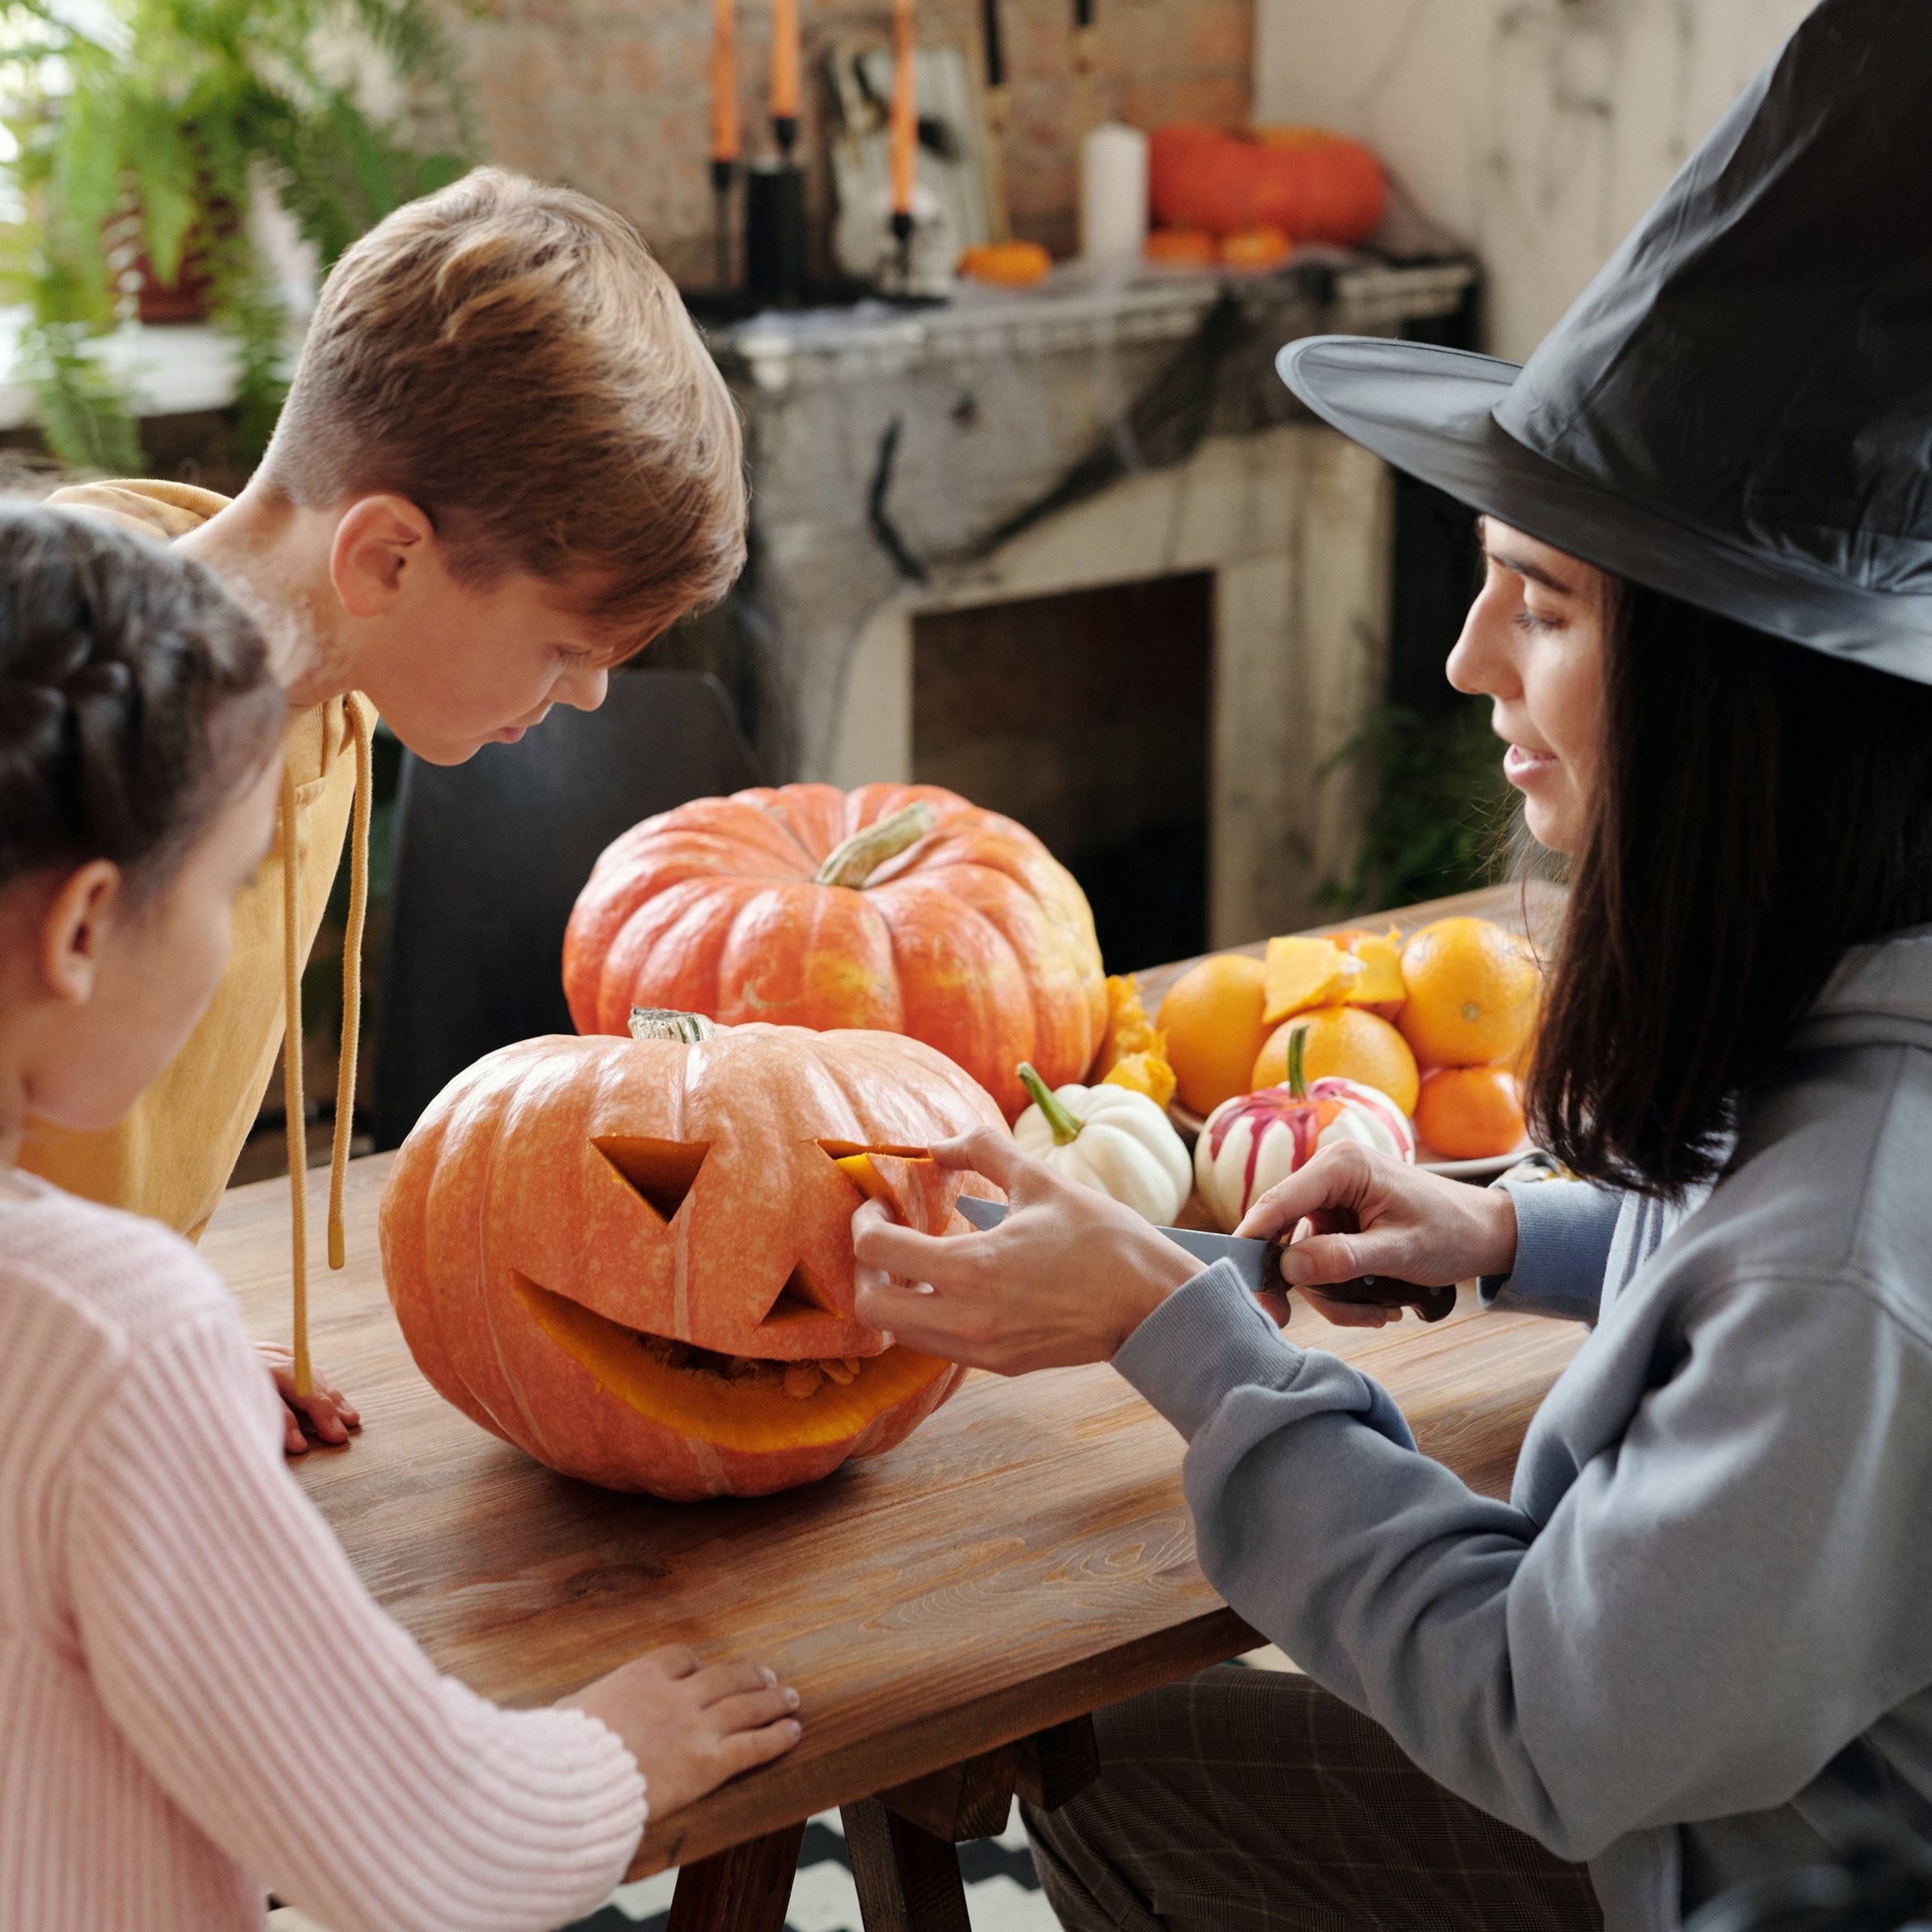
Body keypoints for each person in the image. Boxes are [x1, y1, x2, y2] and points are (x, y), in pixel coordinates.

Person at [849, 3, 1932, 1927]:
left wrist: (1179, 1336)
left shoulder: (1848, 1246)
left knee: (1114, 1776)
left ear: (1739, 700)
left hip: (1753, 1885)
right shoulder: (1872, 1010)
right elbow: (1781, 1288)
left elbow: (1545, 1711)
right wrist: (1513, 1231)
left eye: (1541, 600)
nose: (1463, 661)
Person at [0, 506, 797, 1932]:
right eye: (234, 884)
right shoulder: (110, 1330)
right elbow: (414, 1847)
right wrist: (613, 1752)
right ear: (80, 933)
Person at [20, 165, 746, 1450]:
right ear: (387, 558)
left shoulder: (327, 707)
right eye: (566, 647)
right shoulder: (52, 707)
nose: (584, 700)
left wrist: (152, 1327)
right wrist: (107, 1358)